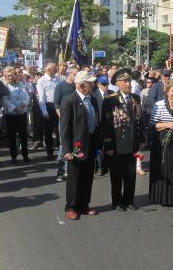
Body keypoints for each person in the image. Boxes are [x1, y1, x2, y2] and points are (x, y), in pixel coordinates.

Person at [59, 71, 100, 220]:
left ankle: (84, 204)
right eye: (90, 83)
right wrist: (67, 150)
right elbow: (64, 129)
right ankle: (71, 206)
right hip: (76, 145)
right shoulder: (69, 101)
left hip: (90, 142)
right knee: (75, 177)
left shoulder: (93, 100)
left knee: (88, 176)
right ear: (82, 85)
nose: (93, 85)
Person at [101, 69, 144, 211]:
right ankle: (117, 201)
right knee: (117, 175)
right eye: (124, 81)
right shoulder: (110, 100)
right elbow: (106, 125)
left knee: (131, 175)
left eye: (129, 81)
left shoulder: (135, 98)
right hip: (117, 144)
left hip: (132, 143)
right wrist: (108, 145)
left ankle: (129, 200)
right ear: (117, 83)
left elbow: (140, 121)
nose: (128, 84)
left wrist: (141, 141)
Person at [149, 80, 173, 207]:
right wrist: (167, 124)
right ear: (167, 92)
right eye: (172, 91)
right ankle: (165, 198)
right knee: (165, 169)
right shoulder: (159, 105)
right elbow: (152, 125)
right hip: (163, 144)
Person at [53, 66, 78, 180]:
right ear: (70, 73)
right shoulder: (60, 86)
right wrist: (63, 118)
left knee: (74, 145)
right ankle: (60, 171)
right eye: (75, 74)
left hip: (75, 121)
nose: (77, 76)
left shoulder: (76, 87)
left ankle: (70, 170)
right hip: (64, 120)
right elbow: (56, 104)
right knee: (64, 145)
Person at [3, 67, 31, 164]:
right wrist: (15, 108)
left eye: (10, 75)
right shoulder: (6, 87)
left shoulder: (21, 85)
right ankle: (13, 156)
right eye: (6, 76)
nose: (8, 77)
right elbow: (5, 101)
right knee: (12, 136)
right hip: (11, 115)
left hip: (22, 113)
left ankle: (25, 154)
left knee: (23, 135)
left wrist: (22, 106)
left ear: (14, 76)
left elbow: (27, 97)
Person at [36, 62, 61, 160]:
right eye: (55, 68)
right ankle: (50, 152)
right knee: (48, 132)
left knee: (59, 130)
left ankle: (61, 150)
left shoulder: (58, 79)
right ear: (49, 69)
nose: (57, 69)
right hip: (48, 106)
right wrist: (44, 112)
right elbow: (41, 98)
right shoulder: (41, 81)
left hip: (57, 106)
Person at [92, 75, 113, 176]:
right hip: (98, 124)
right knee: (99, 147)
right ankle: (100, 166)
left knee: (109, 145)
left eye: (107, 84)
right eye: (103, 84)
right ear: (98, 84)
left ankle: (109, 165)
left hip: (110, 124)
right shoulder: (94, 96)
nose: (106, 86)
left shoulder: (111, 94)